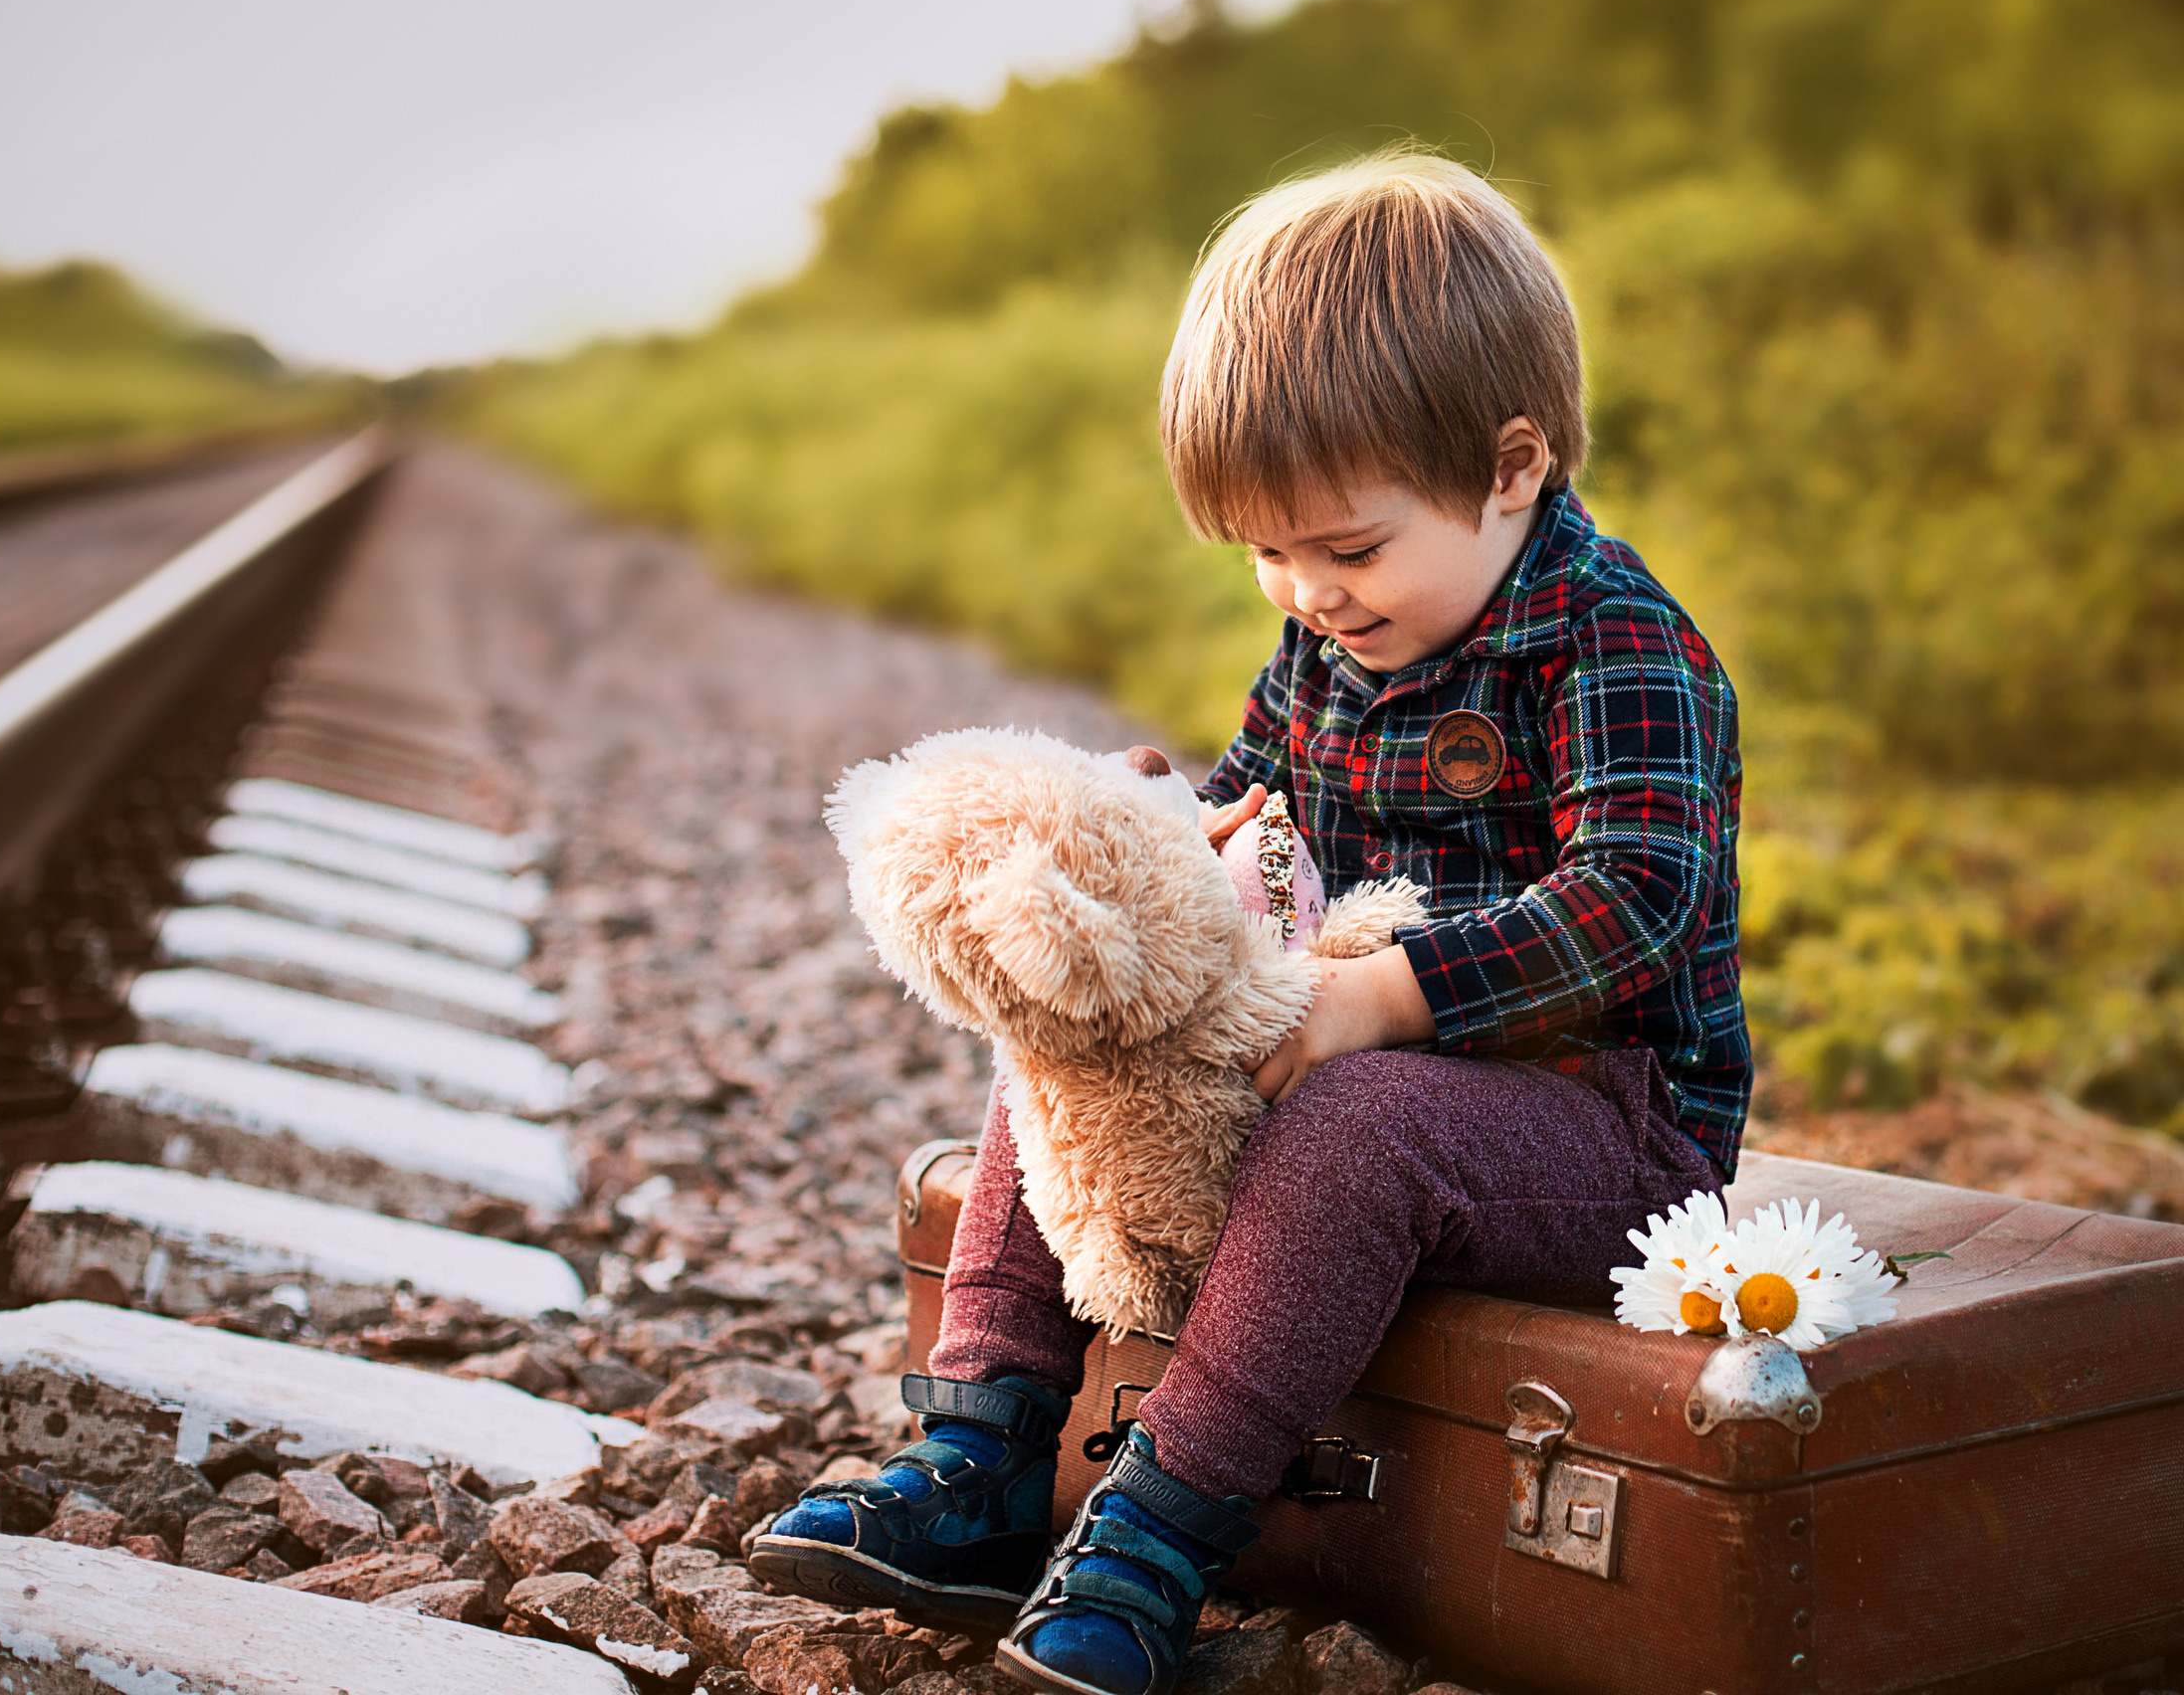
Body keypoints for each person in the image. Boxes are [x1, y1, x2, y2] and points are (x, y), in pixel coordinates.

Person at [748, 149, 1748, 1695]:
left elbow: (1639, 901)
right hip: (1359, 1062)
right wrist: (1171, 850)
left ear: (1513, 468)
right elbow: (1259, 818)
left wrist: (1386, 997)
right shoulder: (1323, 645)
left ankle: (1158, 1529)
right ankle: (986, 1452)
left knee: (1352, 1129)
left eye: (1347, 548)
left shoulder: (1613, 640)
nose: (1305, 592)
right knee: (1075, 1033)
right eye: (1266, 554)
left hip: (1603, 1126)